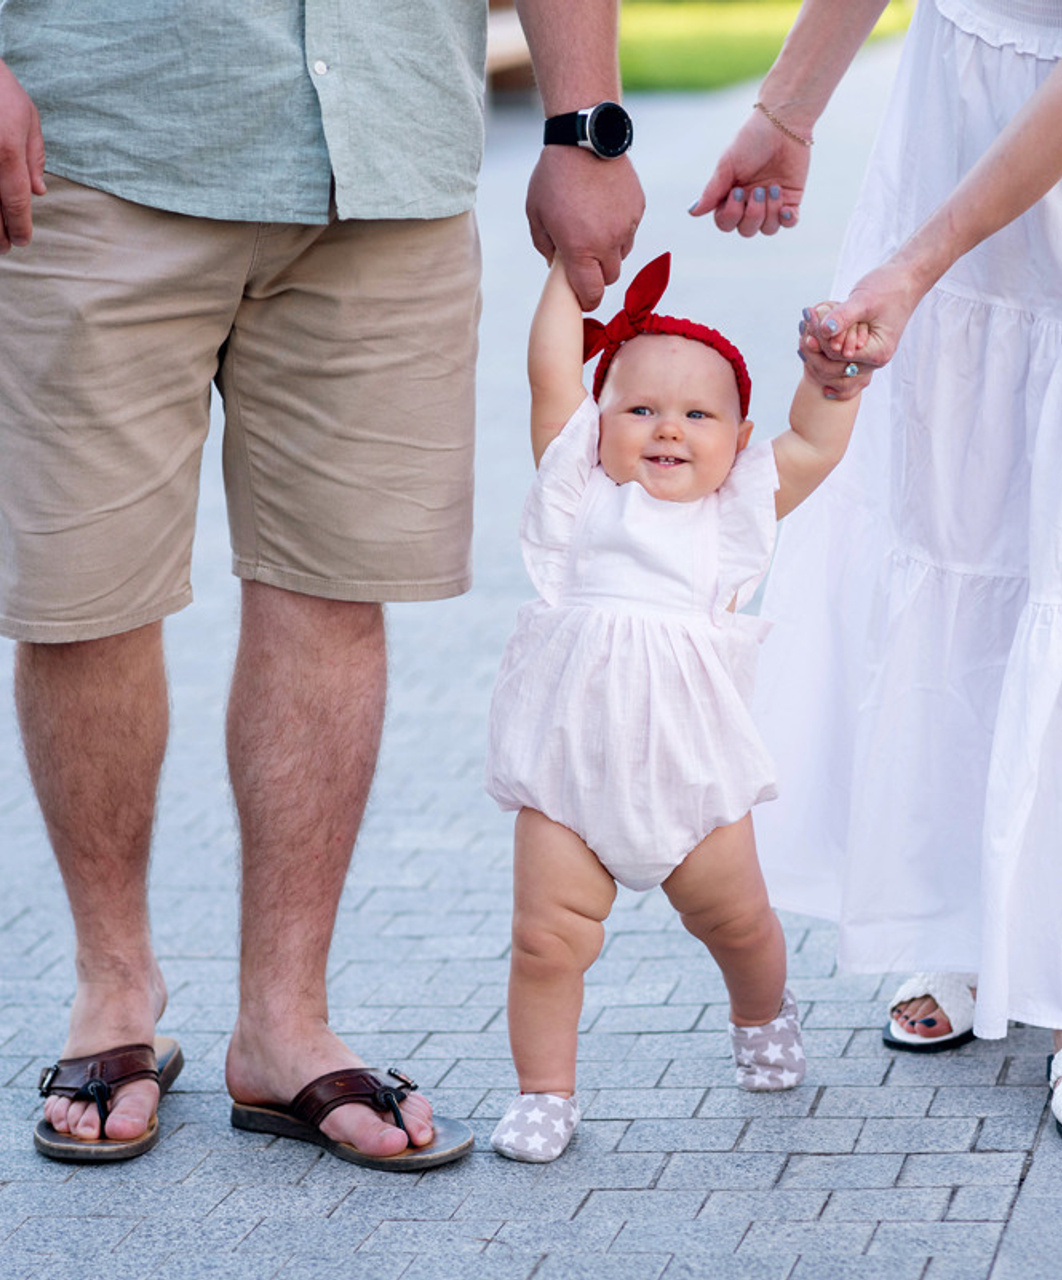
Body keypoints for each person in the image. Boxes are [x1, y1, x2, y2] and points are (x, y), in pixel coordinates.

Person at [0, 0, 644, 1167]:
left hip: (385, 158)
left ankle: (283, 1022)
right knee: (84, 596)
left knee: (335, 589)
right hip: (93, 141)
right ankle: (113, 986)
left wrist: (583, 123)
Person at [694, 0, 1062, 1145]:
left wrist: (913, 263)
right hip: (965, 92)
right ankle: (964, 911)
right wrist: (786, 108)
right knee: (957, 514)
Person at [482, 252, 858, 1161]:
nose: (669, 430)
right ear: (600, 425)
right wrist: (566, 283)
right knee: (544, 941)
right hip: (570, 778)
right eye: (640, 408)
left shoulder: (730, 521)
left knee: (738, 924)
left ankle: (762, 1011)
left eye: (699, 415)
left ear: (738, 438)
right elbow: (548, 377)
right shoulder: (579, 501)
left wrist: (830, 383)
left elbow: (811, 447)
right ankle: (545, 1093)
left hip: (692, 780)